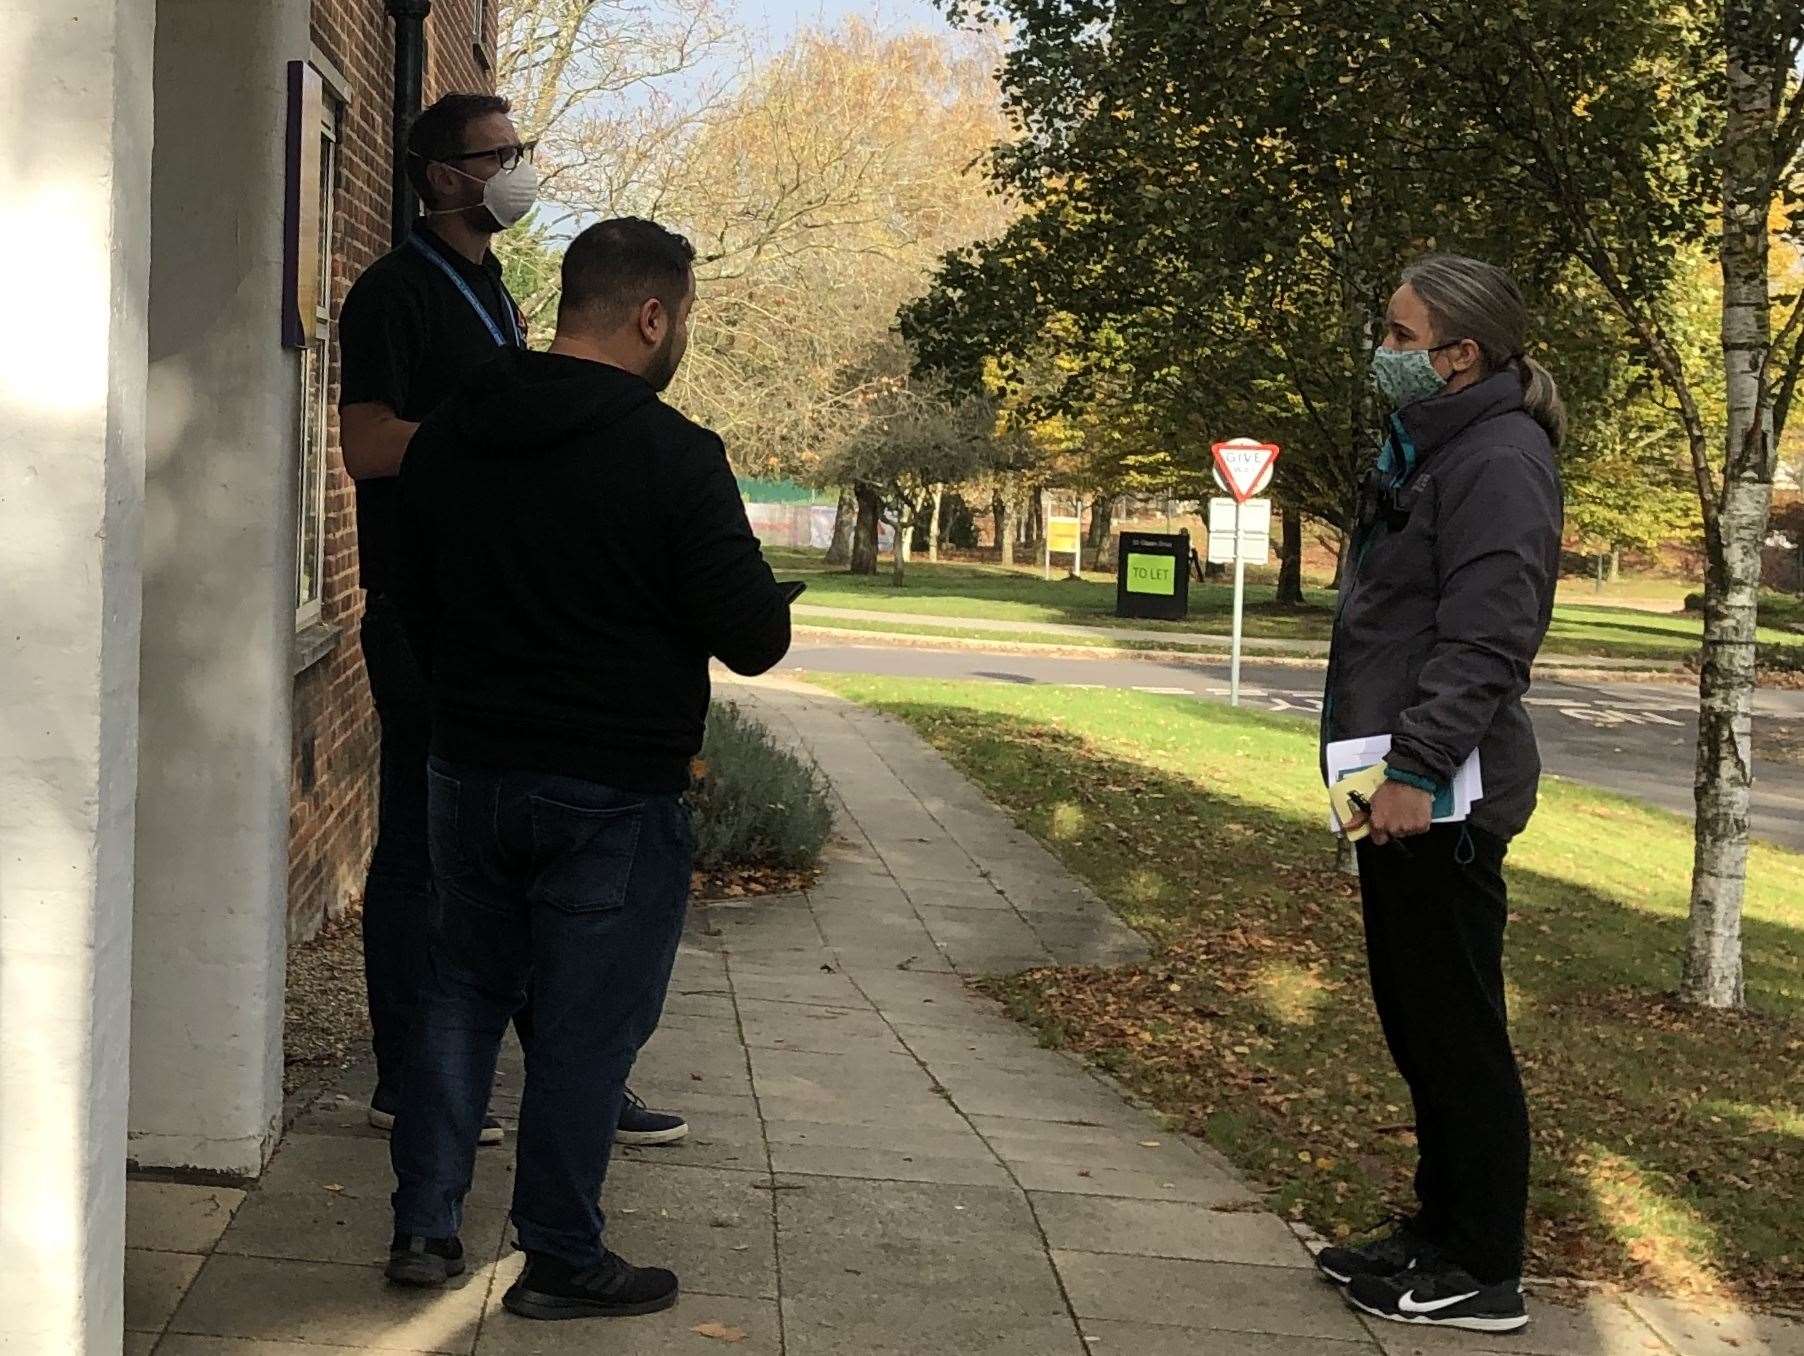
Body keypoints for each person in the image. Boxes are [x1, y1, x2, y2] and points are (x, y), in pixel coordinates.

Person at [383, 218, 793, 1320]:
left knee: (459, 995)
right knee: (582, 1026)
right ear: (652, 315)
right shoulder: (672, 456)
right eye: (686, 320)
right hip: (611, 788)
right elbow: (753, 634)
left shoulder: (456, 431)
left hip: (467, 768)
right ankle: (560, 1256)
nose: (683, 340)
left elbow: (405, 597)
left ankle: (425, 1224)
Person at [339, 93, 686, 1151]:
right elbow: (366, 446)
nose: (517, 171)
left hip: (488, 616)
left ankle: (572, 1078)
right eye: (498, 155)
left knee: (518, 852)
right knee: (422, 852)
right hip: (419, 614)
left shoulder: (492, 292)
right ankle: (410, 1081)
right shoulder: (396, 292)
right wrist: (486, 431)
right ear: (441, 175)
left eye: (519, 152)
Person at [1315, 254, 1564, 1335]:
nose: (1388, 352)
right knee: (1419, 1023)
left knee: (1457, 1030)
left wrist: (1416, 770)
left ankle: (1482, 1264)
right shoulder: (1434, 448)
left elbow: (1489, 636)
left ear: (1461, 355)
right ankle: (1434, 1227)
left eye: (1403, 336)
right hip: (1396, 789)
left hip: (1442, 798)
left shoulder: (1498, 458)